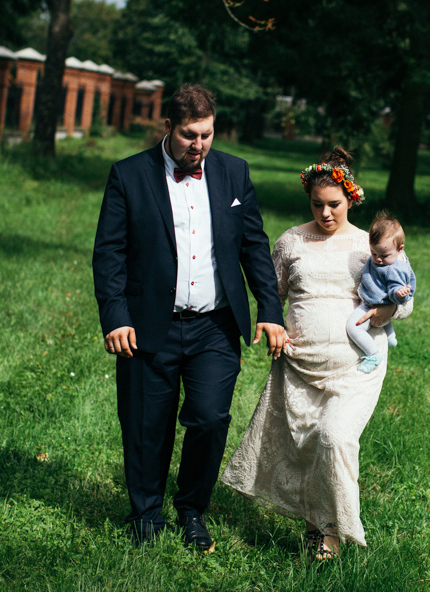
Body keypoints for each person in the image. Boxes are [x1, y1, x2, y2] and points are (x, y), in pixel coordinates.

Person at [92, 84, 287, 551]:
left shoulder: (234, 172)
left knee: (210, 418)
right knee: (146, 423)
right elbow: (109, 252)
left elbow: (254, 246)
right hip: (147, 324)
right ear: (168, 127)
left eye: (206, 134)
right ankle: (145, 514)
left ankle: (192, 509)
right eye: (188, 135)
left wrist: (270, 308)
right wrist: (116, 317)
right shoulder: (129, 175)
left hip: (215, 326)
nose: (198, 145)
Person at [220, 147, 412, 563]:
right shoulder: (291, 241)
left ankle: (337, 530)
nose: (325, 213)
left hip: (356, 366)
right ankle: (318, 529)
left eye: (334, 205)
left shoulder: (368, 244)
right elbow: (271, 295)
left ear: (351, 199)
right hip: (300, 365)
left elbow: (405, 297)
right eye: (317, 204)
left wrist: (386, 312)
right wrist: (272, 324)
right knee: (309, 444)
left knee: (334, 437)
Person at [346, 212, 416, 373]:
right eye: (373, 253)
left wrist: (399, 293)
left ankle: (373, 354)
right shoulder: (390, 256)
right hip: (376, 300)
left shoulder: (395, 269)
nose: (377, 259)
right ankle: (390, 336)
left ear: (400, 249)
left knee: (354, 328)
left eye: (383, 255)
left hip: (374, 305)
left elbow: (394, 290)